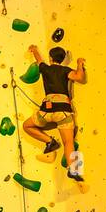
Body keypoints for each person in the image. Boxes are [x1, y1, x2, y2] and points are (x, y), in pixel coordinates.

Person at [22, 43, 87, 181]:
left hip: (48, 110)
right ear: (62, 59)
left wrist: (34, 50)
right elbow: (79, 77)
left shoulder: (45, 68)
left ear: (51, 58)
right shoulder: (65, 70)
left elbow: (39, 60)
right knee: (69, 142)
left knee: (26, 126)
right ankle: (73, 170)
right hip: (63, 111)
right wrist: (79, 63)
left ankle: (49, 141)